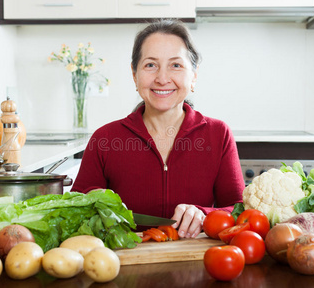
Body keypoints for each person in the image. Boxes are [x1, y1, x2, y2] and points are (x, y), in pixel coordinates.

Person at [71, 19, 245, 238]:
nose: (162, 79)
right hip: (122, 263)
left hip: (197, 262)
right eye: (151, 65)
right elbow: (75, 211)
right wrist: (94, 208)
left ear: (194, 76)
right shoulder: (104, 139)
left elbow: (239, 210)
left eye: (176, 65)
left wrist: (205, 214)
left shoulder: (218, 134)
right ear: (134, 75)